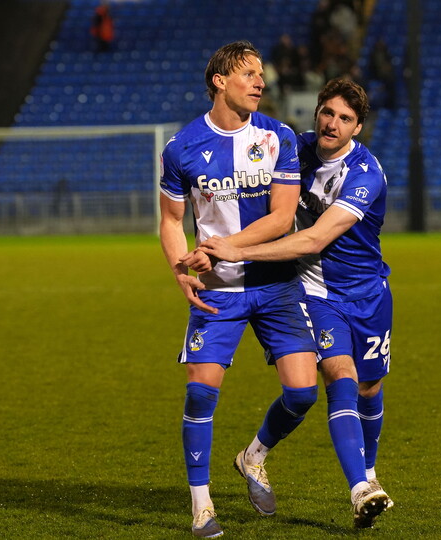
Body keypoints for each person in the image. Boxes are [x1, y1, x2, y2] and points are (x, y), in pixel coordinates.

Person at [195, 76, 394, 529]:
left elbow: (318, 235)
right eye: (328, 112)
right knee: (338, 376)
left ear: (357, 128)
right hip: (315, 292)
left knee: (369, 388)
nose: (333, 124)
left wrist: (238, 249)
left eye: (345, 119)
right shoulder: (290, 149)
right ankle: (361, 486)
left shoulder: (365, 174)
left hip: (368, 294)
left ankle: (257, 456)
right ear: (317, 111)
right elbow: (239, 179)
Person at [159, 40, 320, 538]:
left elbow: (282, 216)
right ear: (219, 81)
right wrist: (179, 269)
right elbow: (169, 220)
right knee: (200, 395)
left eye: (261, 74)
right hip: (217, 292)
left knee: (303, 393)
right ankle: (201, 504)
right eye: (249, 73)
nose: (260, 82)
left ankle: (253, 456)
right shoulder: (181, 147)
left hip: (275, 284)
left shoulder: (279, 137)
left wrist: (225, 245)